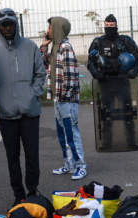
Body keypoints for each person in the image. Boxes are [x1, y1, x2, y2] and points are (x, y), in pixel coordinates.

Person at [0, 8, 46, 207]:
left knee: (32, 154)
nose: (7, 28)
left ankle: (32, 191)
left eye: (10, 23)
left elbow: (40, 73)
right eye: (3, 25)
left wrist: (32, 94)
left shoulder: (30, 46)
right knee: (12, 157)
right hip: (7, 114)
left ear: (16, 24)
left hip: (30, 112)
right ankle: (18, 194)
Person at [40, 16, 88, 180]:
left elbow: (71, 77)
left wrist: (64, 97)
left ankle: (81, 165)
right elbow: (44, 65)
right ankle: (69, 164)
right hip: (58, 99)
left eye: (51, 28)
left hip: (65, 100)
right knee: (62, 133)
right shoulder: (55, 47)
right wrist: (44, 47)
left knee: (72, 133)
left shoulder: (66, 48)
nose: (48, 31)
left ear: (58, 28)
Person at [87, 14, 138, 150]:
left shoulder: (125, 41)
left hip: (123, 81)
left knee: (128, 112)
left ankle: (131, 141)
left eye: (112, 26)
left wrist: (134, 73)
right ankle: (106, 143)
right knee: (106, 113)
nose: (109, 28)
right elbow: (90, 62)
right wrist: (97, 74)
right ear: (104, 26)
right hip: (105, 83)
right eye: (107, 26)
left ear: (116, 26)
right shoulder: (98, 43)